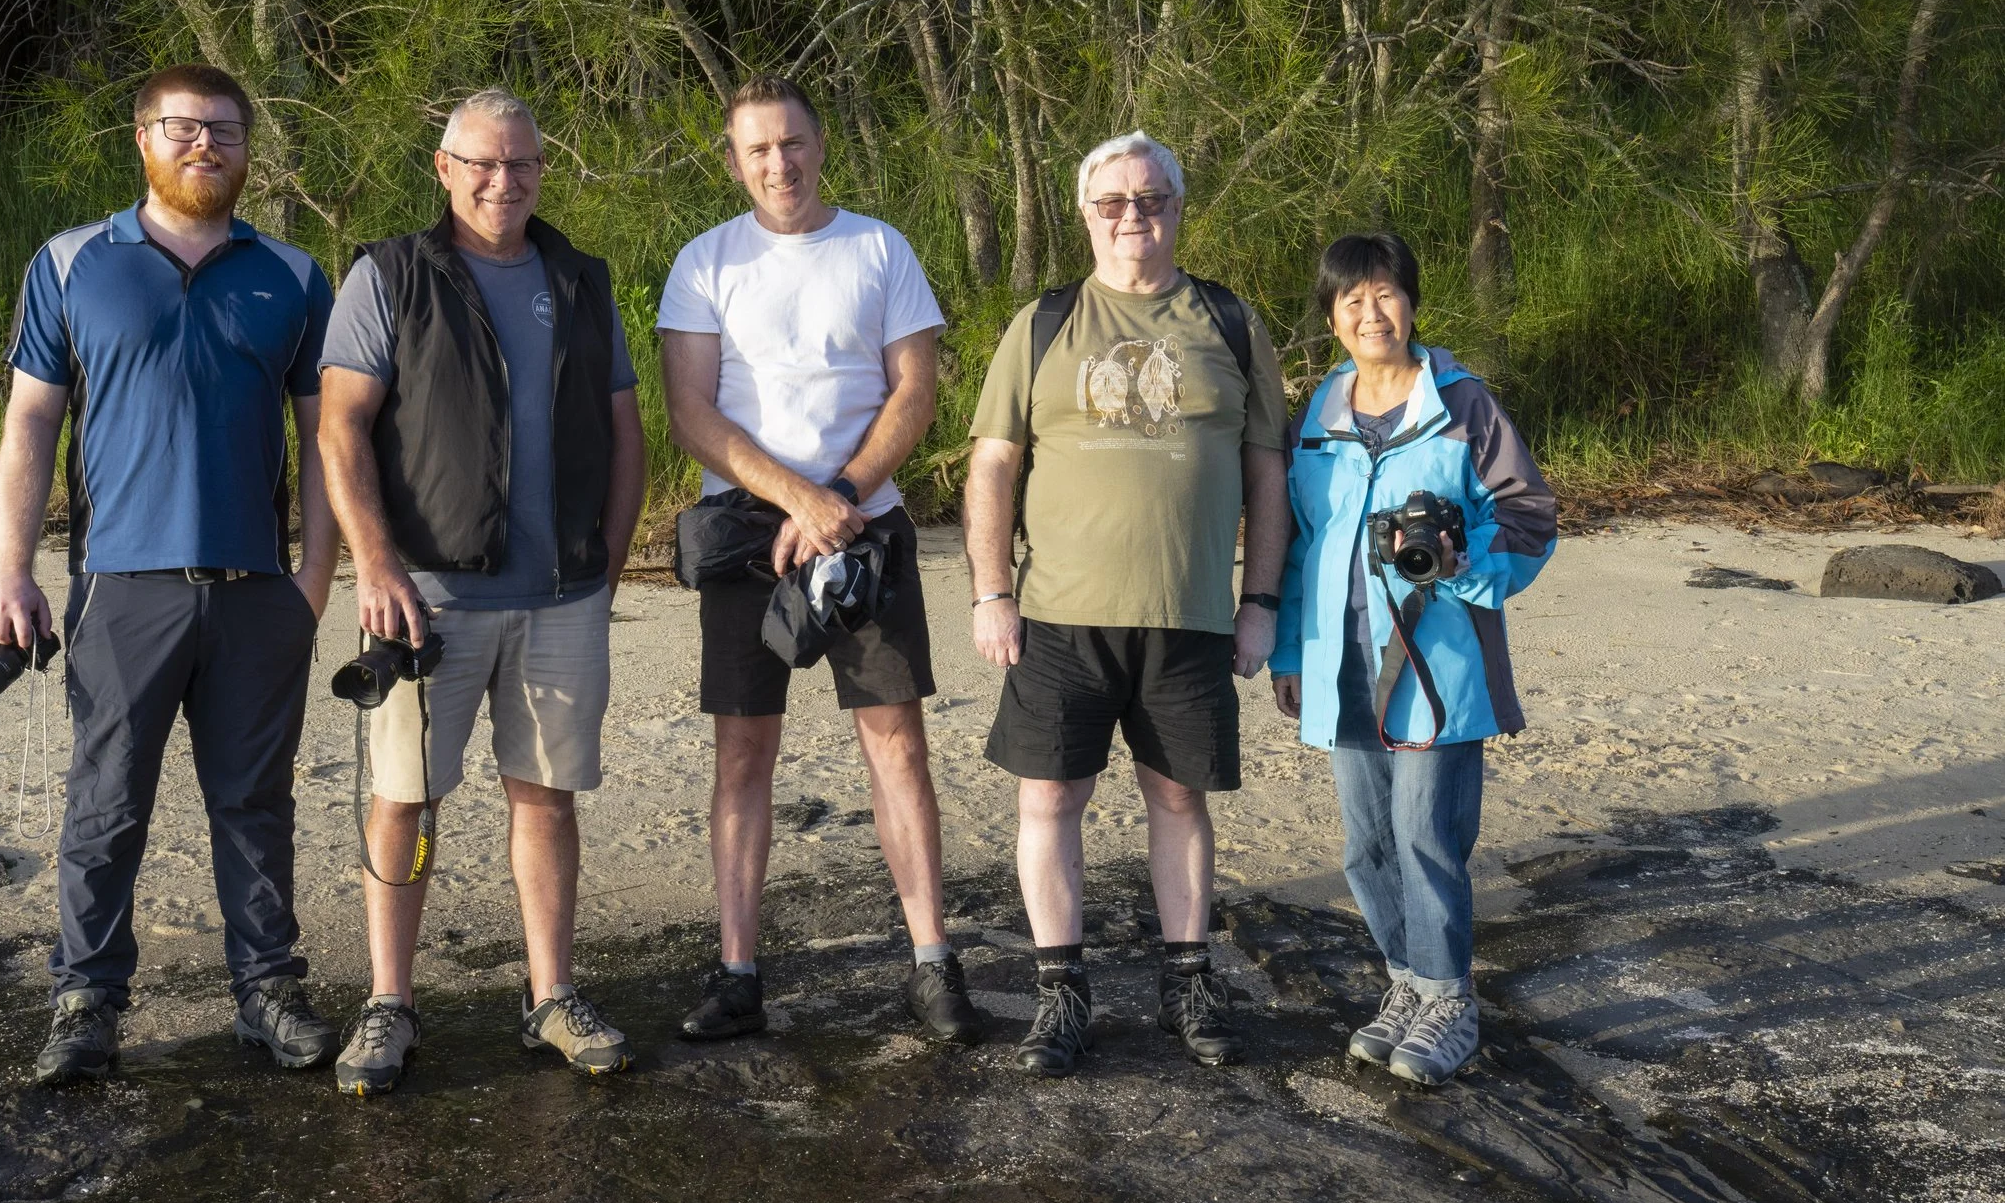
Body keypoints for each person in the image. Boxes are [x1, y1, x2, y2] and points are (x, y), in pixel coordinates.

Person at [0, 63, 343, 1087]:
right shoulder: (71, 263)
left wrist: (316, 575)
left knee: (255, 803)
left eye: (225, 129)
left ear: (247, 148)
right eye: (183, 127)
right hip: (119, 585)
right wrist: (10, 568)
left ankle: (267, 993)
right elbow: (31, 421)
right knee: (105, 808)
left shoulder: (293, 276)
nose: (205, 145)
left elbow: (325, 439)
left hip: (256, 589)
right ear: (141, 138)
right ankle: (86, 1002)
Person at [317, 88, 646, 1095]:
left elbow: (626, 432)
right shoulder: (389, 274)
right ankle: (389, 1001)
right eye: (484, 163)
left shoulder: (581, 278)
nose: (505, 181)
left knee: (545, 797)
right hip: (428, 598)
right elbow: (339, 428)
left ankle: (552, 995)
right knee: (404, 799)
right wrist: (376, 565)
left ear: (543, 169)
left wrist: (604, 567)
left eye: (523, 163)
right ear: (445, 168)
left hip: (561, 597)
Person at [656, 74, 986, 1047]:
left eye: (792, 142)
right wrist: (796, 500)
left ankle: (932, 962)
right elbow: (691, 412)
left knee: (897, 745)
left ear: (820, 143)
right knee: (742, 752)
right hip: (745, 537)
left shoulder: (879, 248)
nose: (779, 163)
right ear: (733, 160)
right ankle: (737, 972)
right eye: (758, 148)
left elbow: (914, 393)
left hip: (864, 531)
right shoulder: (705, 262)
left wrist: (837, 498)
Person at [961, 131, 1291, 1078]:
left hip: (1189, 612)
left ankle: (1189, 982)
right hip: (1059, 614)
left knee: (1178, 796)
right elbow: (993, 464)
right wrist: (991, 591)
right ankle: (1061, 993)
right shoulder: (1043, 324)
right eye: (1113, 201)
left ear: (1178, 208)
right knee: (1049, 797)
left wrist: (1260, 600)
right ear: (1086, 214)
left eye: (1151, 198)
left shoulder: (1230, 321)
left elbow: (1268, 472)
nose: (1132, 215)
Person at [1268, 234, 1556, 1085]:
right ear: (1331, 318)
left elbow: (1530, 516)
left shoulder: (1463, 406)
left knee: (1426, 834)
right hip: (1342, 664)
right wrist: (1288, 651)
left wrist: (1465, 564)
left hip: (1440, 669)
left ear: (1413, 303)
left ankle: (1449, 1000)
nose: (1372, 313)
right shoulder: (1319, 415)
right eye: (1352, 300)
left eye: (1386, 294)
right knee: (1366, 844)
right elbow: (1300, 544)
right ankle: (1408, 982)